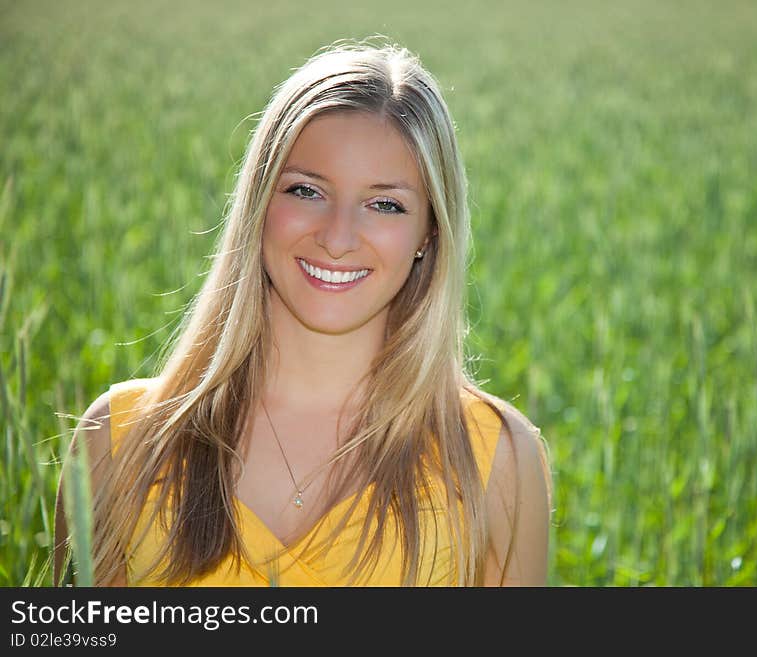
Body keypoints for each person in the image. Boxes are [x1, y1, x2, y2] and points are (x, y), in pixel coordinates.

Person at [54, 40, 552, 587]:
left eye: (385, 204)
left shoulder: (494, 459)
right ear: (260, 201)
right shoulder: (120, 440)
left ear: (428, 233)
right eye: (307, 191)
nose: (337, 238)